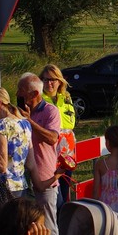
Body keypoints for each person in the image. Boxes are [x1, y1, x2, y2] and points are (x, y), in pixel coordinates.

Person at [18, 72, 64, 235]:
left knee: (48, 225)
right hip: (23, 177)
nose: (18, 94)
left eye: (21, 90)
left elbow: (52, 138)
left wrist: (29, 121)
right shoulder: (19, 111)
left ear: (34, 94)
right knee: (25, 224)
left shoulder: (50, 111)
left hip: (45, 176)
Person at [38, 64, 78, 203]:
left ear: (59, 81)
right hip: (50, 149)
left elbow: (70, 123)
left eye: (52, 80)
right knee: (54, 190)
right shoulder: (39, 100)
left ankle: (63, 214)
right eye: (45, 79)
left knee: (65, 186)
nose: (49, 83)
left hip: (67, 150)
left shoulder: (66, 97)